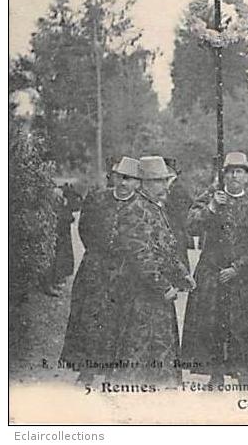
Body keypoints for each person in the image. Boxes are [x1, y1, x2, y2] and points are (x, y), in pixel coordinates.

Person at [182, 152, 248, 386]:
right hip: (212, 273)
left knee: (243, 327)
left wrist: (238, 268)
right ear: (224, 174)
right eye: (230, 171)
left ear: (247, 175)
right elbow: (191, 227)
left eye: (239, 171)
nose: (234, 176)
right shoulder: (211, 198)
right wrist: (211, 208)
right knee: (212, 325)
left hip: (241, 277)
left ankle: (244, 377)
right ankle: (216, 375)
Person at [108, 156, 191, 385]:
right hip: (139, 298)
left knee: (160, 356)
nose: (164, 186)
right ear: (144, 183)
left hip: (155, 299)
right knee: (138, 358)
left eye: (165, 181)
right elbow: (140, 256)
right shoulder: (134, 211)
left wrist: (181, 274)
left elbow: (164, 248)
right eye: (158, 181)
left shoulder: (153, 208)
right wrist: (163, 286)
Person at [61, 157, 142, 384]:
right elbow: (84, 229)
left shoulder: (142, 207)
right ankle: (86, 369)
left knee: (118, 319)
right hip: (95, 268)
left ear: (138, 182)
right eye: (121, 177)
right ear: (114, 177)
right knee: (88, 317)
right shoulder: (98, 199)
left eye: (130, 179)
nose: (124, 183)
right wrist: (98, 254)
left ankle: (111, 371)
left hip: (125, 271)